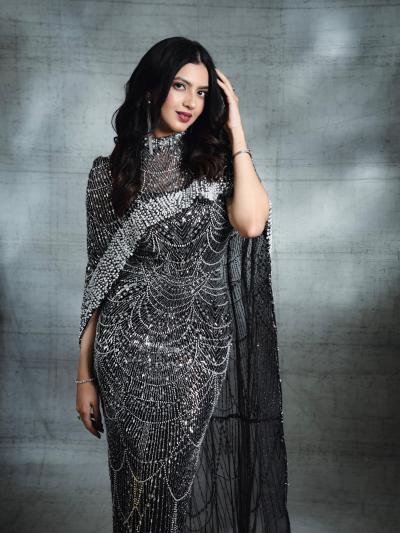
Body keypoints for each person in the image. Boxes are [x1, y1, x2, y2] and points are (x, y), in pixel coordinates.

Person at [75, 36, 291, 533]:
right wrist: (83, 376)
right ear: (152, 89)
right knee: (134, 486)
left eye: (202, 92)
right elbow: (97, 279)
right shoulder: (108, 174)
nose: (191, 101)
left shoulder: (217, 165)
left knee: (180, 483)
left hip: (196, 350)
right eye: (179, 86)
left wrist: (236, 129)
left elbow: (252, 222)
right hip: (125, 351)